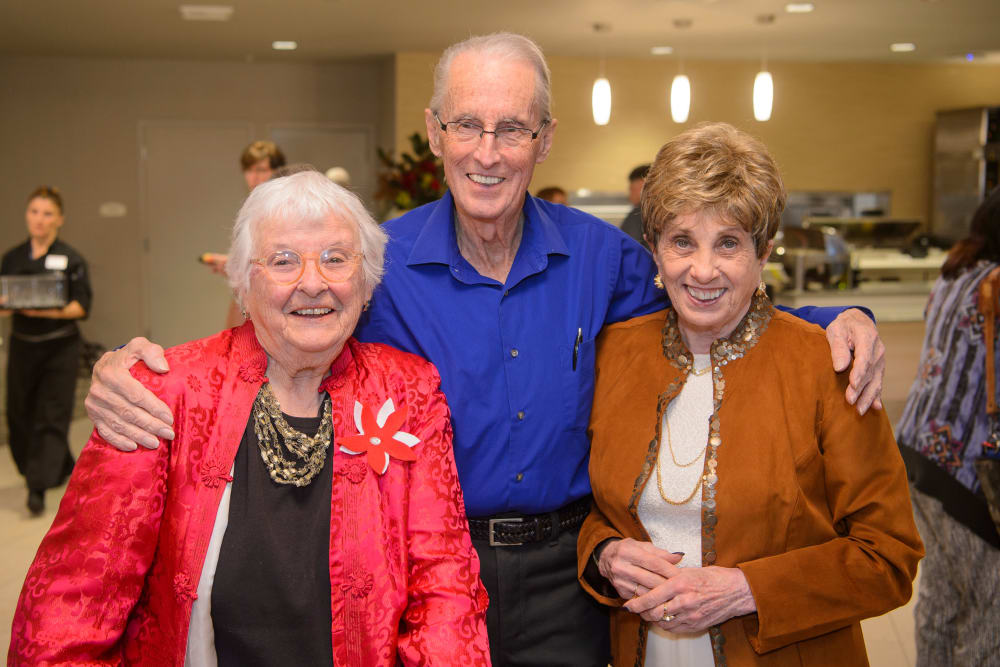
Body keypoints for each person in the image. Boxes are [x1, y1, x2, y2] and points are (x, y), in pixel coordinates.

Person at [84, 34, 886, 666]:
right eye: (467, 123)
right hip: (427, 568)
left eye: (512, 127)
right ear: (436, 131)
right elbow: (287, 325)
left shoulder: (601, 258)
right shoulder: (379, 266)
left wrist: (836, 314)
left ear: (545, 138)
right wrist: (128, 362)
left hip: (570, 573)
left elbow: (707, 294)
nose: (488, 150)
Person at [10, 172, 489, 665]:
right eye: (283, 261)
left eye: (336, 259)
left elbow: (444, 585)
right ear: (241, 281)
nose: (312, 282)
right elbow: (70, 608)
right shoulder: (164, 391)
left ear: (367, 282)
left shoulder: (408, 388)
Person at [578, 123, 923, 666]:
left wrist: (746, 590)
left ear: (764, 251)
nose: (703, 270)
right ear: (654, 248)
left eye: (729, 243)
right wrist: (604, 553)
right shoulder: (613, 354)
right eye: (682, 241)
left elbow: (890, 556)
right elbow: (594, 507)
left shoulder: (827, 364)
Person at [896, 185, 1000, 666]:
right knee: (990, 610)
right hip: (971, 468)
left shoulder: (955, 272)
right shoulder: (996, 283)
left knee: (942, 595)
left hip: (920, 449)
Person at [1, 186, 92, 516]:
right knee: (20, 415)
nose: (40, 220)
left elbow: (82, 306)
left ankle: (36, 488)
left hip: (60, 347)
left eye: (47, 213)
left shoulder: (71, 258)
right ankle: (58, 465)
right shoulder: (12, 258)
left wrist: (46, 310)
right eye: (34, 212)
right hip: (23, 347)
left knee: (50, 415)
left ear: (60, 219)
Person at [620, 164, 649, 245]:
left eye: (632, 189)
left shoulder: (638, 213)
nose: (629, 196)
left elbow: (628, 245)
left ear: (643, 186)